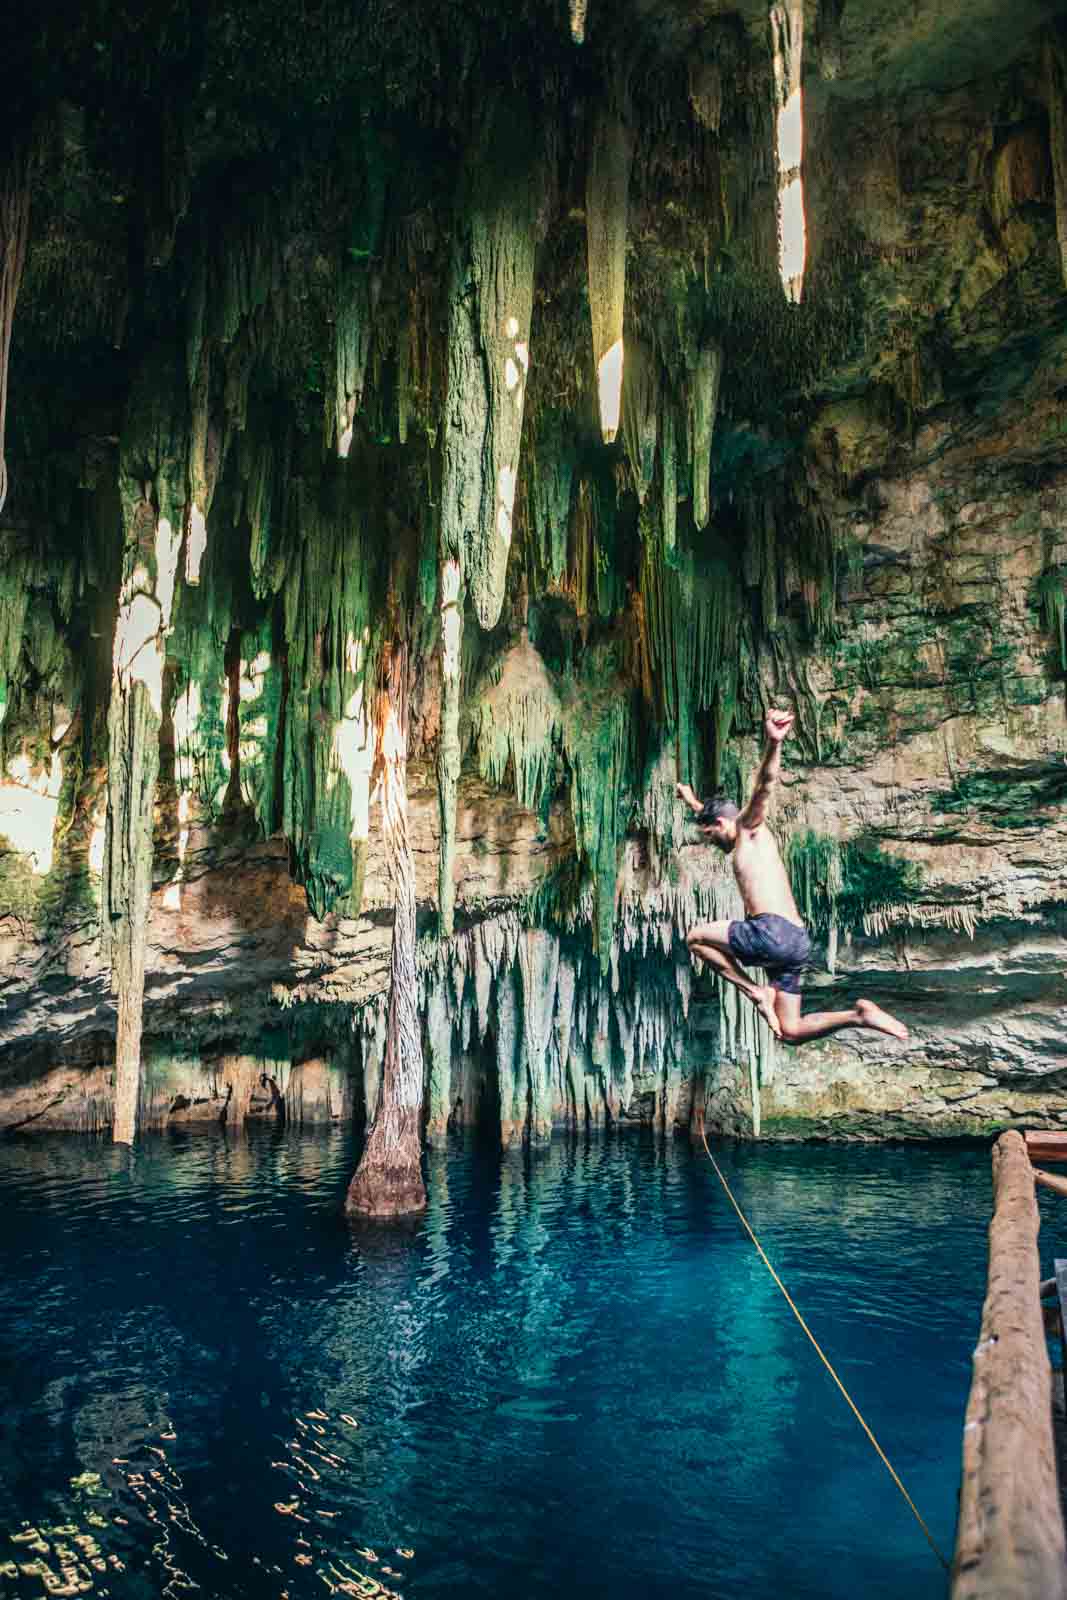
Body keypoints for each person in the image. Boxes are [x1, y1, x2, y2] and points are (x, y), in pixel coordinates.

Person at [676, 708, 909, 1046]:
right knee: (790, 1031)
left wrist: (774, 742)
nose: (713, 843)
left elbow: (764, 787)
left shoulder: (748, 826)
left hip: (770, 933)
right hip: (796, 943)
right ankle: (858, 1015)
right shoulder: (735, 831)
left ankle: (756, 992)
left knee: (695, 938)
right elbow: (711, 816)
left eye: (711, 836)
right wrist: (692, 801)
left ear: (725, 824)